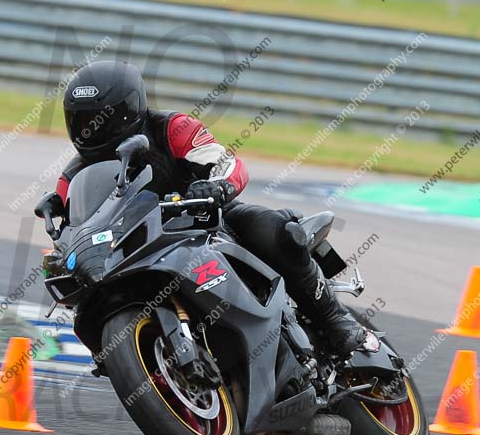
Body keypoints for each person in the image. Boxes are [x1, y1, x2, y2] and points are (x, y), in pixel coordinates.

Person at [52, 61, 365, 356]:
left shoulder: (170, 127)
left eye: (98, 121)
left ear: (128, 109)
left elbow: (228, 164)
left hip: (207, 221)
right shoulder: (72, 177)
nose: (89, 131)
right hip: (136, 247)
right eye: (80, 122)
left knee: (275, 231)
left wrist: (216, 187)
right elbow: (71, 230)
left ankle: (335, 319)